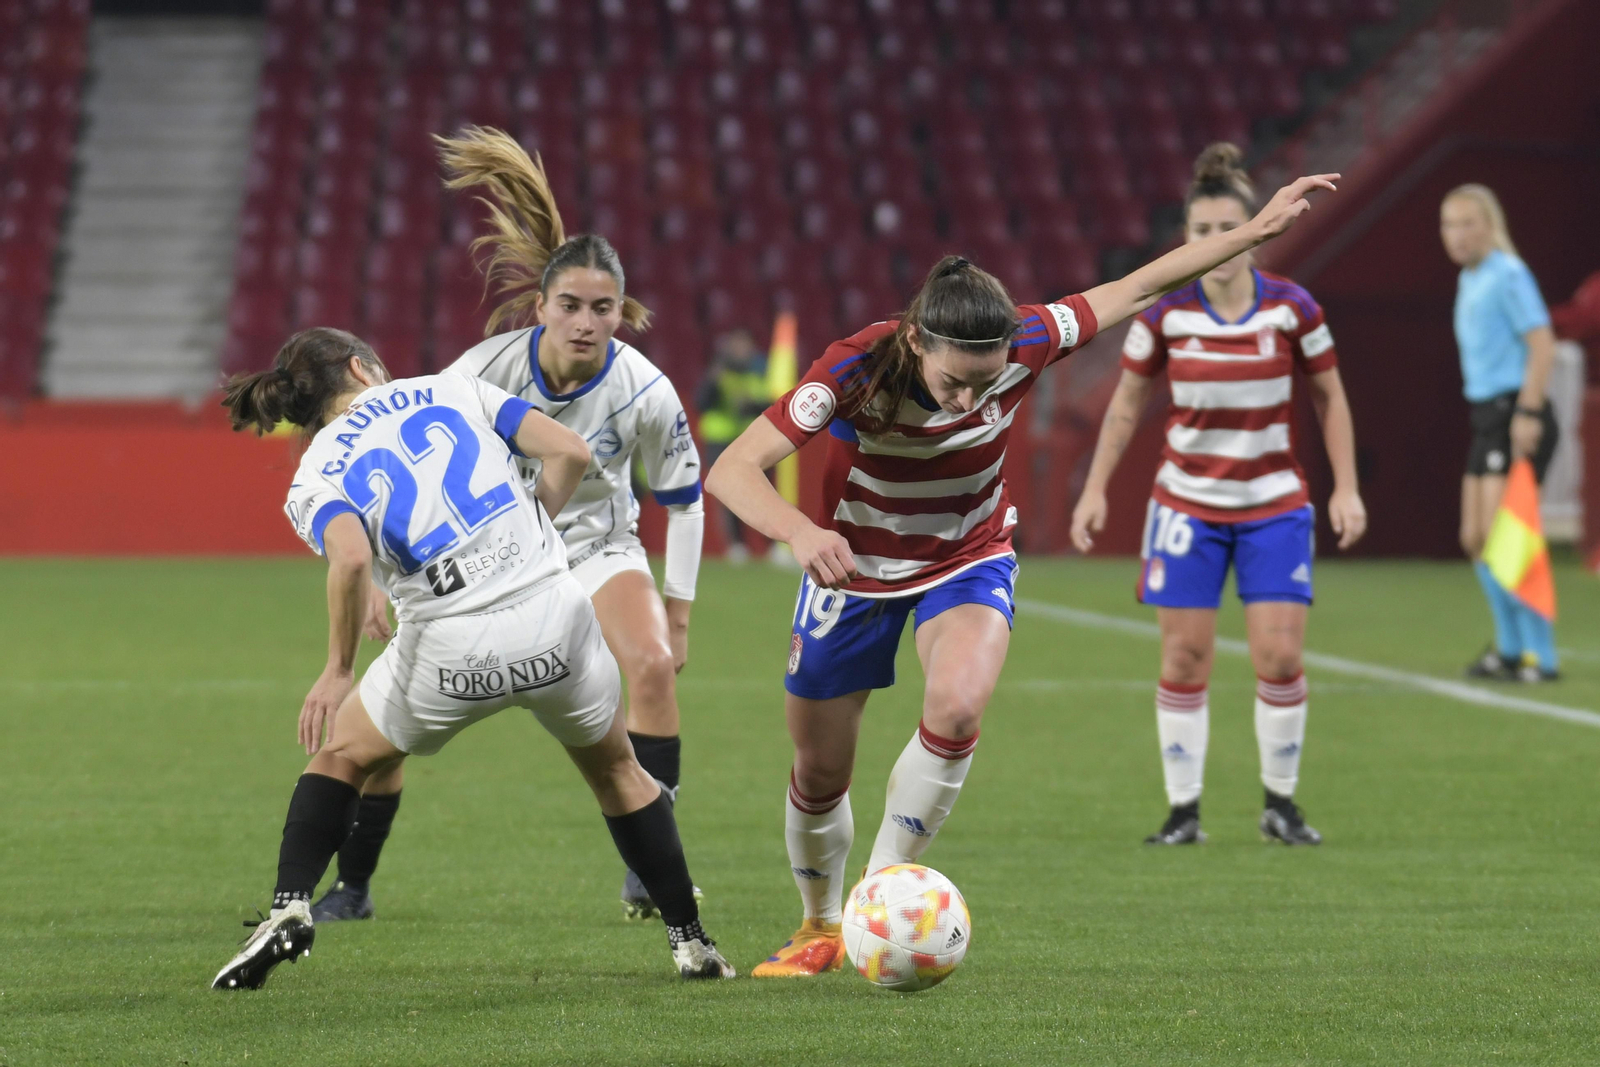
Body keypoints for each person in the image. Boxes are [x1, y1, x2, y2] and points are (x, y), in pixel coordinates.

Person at [706, 167, 1340, 976]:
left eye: (986, 381)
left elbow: (1137, 284)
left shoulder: (1030, 339)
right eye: (953, 382)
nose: (972, 401)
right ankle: (818, 924)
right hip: (853, 569)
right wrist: (798, 529)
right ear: (915, 343)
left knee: (960, 706)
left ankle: (882, 896)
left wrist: (1250, 236)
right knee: (821, 764)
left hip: (965, 558)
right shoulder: (856, 368)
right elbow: (732, 468)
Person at [210, 328, 732, 989]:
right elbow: (570, 450)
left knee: (342, 755)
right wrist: (536, 528)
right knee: (619, 772)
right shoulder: (448, 387)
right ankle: (692, 943)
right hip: (555, 624)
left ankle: (289, 906)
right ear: (359, 366)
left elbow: (350, 558)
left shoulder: (314, 470)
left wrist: (338, 668)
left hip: (450, 651)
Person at [309, 127, 708, 924]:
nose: (586, 323)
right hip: (476, 562)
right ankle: (352, 886)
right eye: (571, 306)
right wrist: (389, 583)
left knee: (655, 667)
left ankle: (645, 869)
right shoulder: (476, 371)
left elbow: (685, 498)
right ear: (543, 307)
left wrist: (680, 608)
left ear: (620, 313)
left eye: (603, 309)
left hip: (595, 549)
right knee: (380, 735)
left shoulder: (646, 390)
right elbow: (408, 482)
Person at [1069, 144, 1367, 848]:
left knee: (1280, 656)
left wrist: (1346, 486)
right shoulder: (1168, 313)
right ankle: (1183, 811)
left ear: (1256, 225)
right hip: (1186, 506)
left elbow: (1330, 396)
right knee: (1183, 659)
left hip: (1273, 504)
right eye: (1200, 231)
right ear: (1187, 238)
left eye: (1225, 226)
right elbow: (1125, 405)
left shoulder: (1293, 308)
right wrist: (1095, 490)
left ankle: (1280, 806)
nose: (1213, 243)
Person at [1441, 184, 1561, 683]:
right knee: (1474, 537)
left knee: (1504, 538)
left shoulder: (1508, 274)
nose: (1458, 234)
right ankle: (1509, 649)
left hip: (1515, 413)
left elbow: (1543, 343)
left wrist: (1528, 414)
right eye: (1449, 224)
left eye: (1469, 222)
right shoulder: (1470, 280)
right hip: (1485, 416)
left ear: (1491, 226)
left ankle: (1540, 656)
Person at [696, 329, 772, 563]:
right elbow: (701, 403)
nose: (742, 350)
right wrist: (712, 381)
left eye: (745, 345)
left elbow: (770, 404)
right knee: (728, 494)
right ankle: (737, 546)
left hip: (752, 441)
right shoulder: (717, 372)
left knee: (764, 492)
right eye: (737, 345)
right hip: (720, 440)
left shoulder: (759, 373)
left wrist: (750, 404)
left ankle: (771, 546)